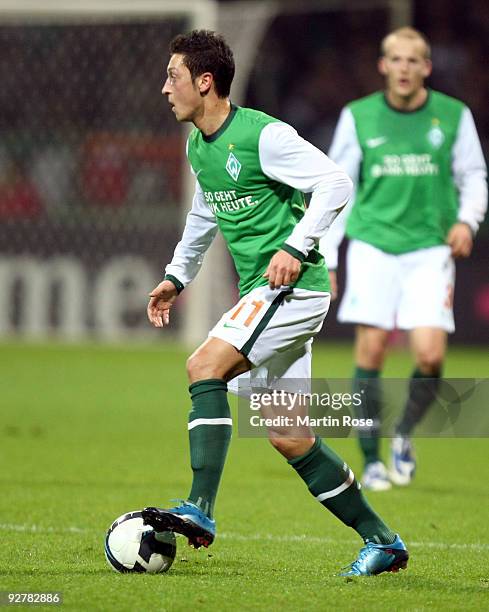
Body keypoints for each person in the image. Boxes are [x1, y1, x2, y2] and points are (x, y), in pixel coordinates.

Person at [141, 29, 409, 576]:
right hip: (271, 294)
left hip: (291, 289)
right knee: (288, 435)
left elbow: (335, 184)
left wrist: (295, 245)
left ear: (205, 81)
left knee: (203, 366)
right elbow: (204, 214)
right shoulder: (198, 144)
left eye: (173, 76)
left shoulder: (263, 136)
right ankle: (383, 541)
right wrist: (176, 275)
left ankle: (201, 508)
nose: (164, 88)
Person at [320, 27, 487, 491]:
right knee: (371, 350)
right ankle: (370, 460)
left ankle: (404, 432)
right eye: (396, 59)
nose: (405, 68)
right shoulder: (359, 117)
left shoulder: (453, 116)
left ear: (427, 67)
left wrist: (467, 222)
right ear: (383, 65)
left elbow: (474, 176)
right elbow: (338, 189)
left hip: (430, 248)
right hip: (374, 245)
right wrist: (329, 257)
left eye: (414, 60)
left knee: (430, 357)